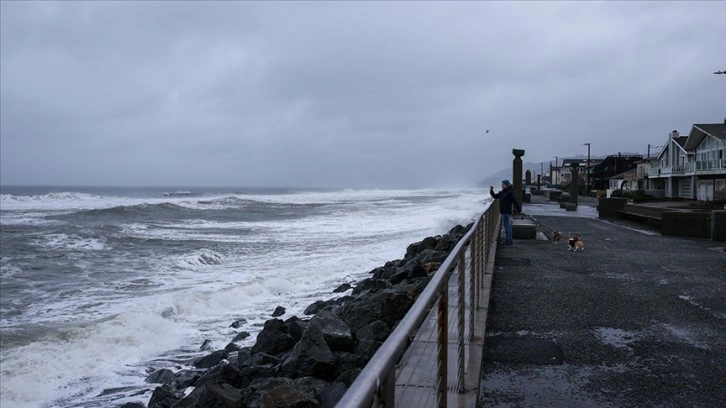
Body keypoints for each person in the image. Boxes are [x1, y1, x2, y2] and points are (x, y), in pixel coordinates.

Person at [490, 179, 522, 245]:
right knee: (507, 225)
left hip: (506, 211)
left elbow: (514, 201)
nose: (502, 185)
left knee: (507, 226)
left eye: (503, 184)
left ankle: (508, 241)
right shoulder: (502, 192)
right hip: (503, 211)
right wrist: (491, 190)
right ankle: (509, 240)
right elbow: (495, 196)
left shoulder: (509, 193)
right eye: (502, 184)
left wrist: (519, 210)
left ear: (507, 185)